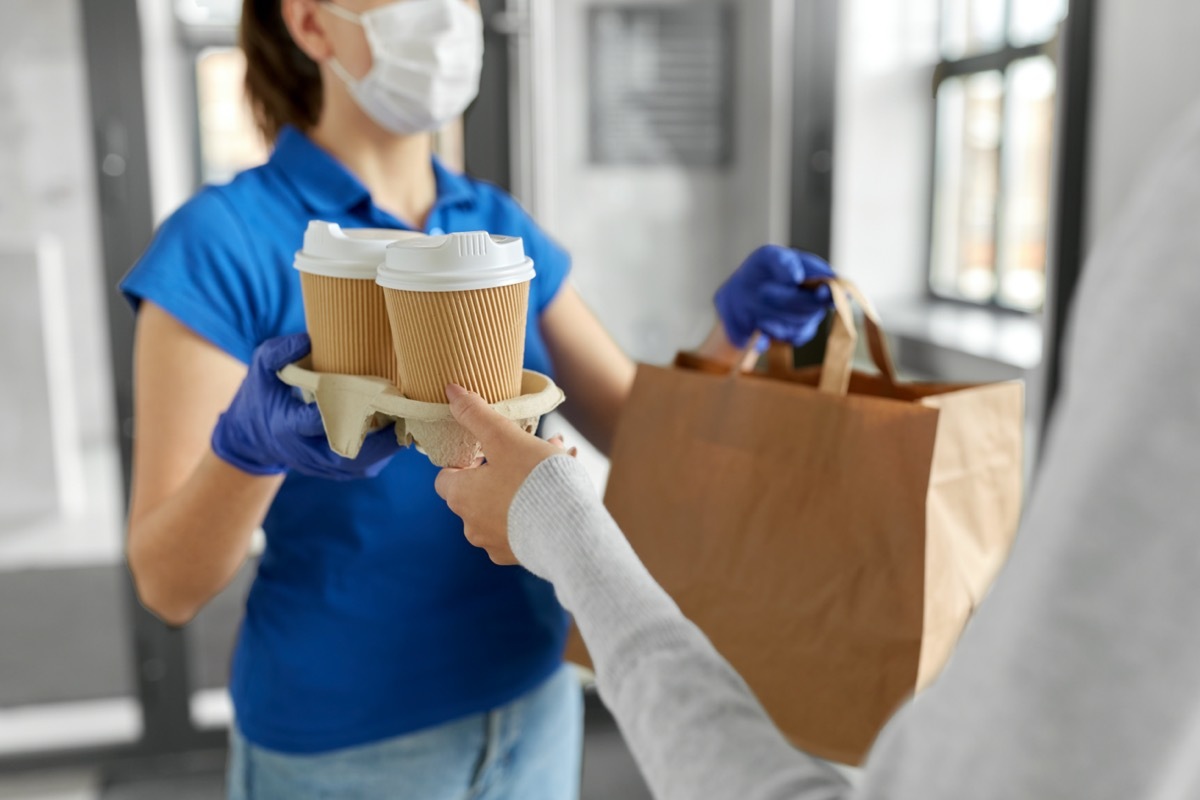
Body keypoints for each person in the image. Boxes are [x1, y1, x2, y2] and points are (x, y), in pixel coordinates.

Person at [119, 0, 835, 796]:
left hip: (534, 707)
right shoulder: (223, 241)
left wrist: (730, 337)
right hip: (344, 744)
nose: (450, 16)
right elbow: (167, 586)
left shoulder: (493, 226)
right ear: (312, 24)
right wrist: (244, 451)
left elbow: (641, 433)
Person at [434, 103, 1200, 798]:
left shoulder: (502, 227)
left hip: (526, 675)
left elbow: (638, 433)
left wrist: (561, 521)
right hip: (388, 696)